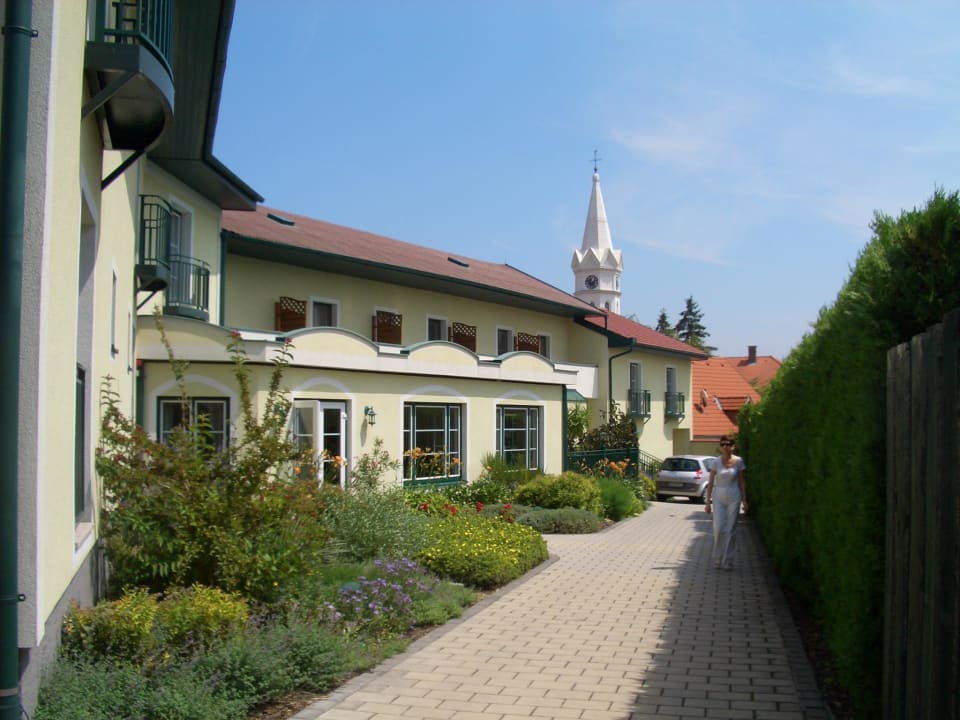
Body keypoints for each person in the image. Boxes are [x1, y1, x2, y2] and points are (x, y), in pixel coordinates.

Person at [704, 435, 748, 570]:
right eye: (723, 444)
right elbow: (711, 482)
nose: (725, 446)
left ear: (733, 446)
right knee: (718, 527)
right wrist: (707, 502)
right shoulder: (716, 462)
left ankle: (728, 560)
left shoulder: (739, 461)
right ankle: (717, 557)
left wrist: (745, 501)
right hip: (719, 495)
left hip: (734, 495)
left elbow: (741, 482)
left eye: (728, 444)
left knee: (731, 529)